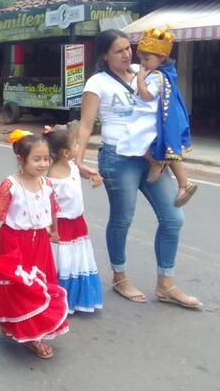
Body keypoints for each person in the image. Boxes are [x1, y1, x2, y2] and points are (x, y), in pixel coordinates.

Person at [74, 29, 201, 309]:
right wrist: (78, 159)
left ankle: (165, 283)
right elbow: (85, 125)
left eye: (127, 48)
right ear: (105, 55)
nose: (126, 54)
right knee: (123, 219)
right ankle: (120, 277)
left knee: (173, 218)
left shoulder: (143, 71)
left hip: (152, 158)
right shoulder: (97, 83)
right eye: (118, 50)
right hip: (118, 157)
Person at [0, 131, 68, 359]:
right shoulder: (9, 185)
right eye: (37, 159)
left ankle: (34, 334)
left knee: (38, 287)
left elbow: (53, 210)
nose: (43, 164)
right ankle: (16, 324)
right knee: (18, 287)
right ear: (21, 159)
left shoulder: (47, 184)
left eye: (46, 159)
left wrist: (54, 230)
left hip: (39, 242)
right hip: (13, 243)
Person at [43, 124, 103, 314]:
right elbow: (50, 206)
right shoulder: (53, 177)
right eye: (76, 145)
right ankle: (60, 300)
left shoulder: (71, 166)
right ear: (66, 152)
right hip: (61, 226)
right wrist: (52, 229)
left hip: (78, 223)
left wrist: (93, 175)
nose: (79, 148)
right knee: (64, 262)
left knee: (77, 260)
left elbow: (80, 173)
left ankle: (75, 299)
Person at [134, 27, 197, 207]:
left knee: (139, 141)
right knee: (168, 149)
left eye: (147, 59)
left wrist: (140, 79)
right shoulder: (167, 71)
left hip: (158, 120)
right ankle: (182, 181)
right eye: (141, 59)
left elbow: (146, 96)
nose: (143, 63)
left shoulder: (157, 76)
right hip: (165, 118)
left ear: (161, 57)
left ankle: (160, 166)